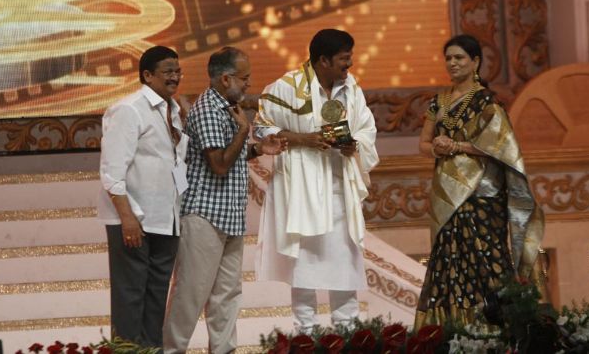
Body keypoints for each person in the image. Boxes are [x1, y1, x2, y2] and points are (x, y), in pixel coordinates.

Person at [162, 47, 287, 354]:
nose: (248, 83)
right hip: (204, 215)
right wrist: (244, 131)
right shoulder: (208, 109)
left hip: (229, 215)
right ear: (226, 78)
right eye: (244, 78)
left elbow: (229, 156)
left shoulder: (228, 107)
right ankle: (171, 350)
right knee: (191, 294)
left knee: (227, 295)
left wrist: (257, 149)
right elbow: (218, 164)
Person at [415, 34, 545, 328]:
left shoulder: (488, 102)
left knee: (487, 257)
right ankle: (454, 328)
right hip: (447, 192)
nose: (452, 63)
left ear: (475, 62)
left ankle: (501, 326)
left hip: (483, 193)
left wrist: (456, 146)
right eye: (448, 58)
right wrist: (436, 148)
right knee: (450, 259)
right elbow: (423, 144)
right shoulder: (439, 101)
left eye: (459, 58)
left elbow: (502, 148)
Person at [254, 28, 379, 332]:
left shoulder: (351, 88)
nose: (349, 66)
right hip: (300, 188)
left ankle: (347, 331)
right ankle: (305, 334)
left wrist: (354, 145)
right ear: (323, 60)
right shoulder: (285, 87)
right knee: (304, 262)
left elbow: (366, 128)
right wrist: (303, 139)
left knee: (344, 258)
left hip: (338, 186)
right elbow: (261, 129)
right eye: (344, 60)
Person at [98, 45, 187, 347]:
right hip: (134, 219)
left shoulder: (173, 110)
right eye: (168, 71)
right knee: (130, 298)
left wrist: (179, 209)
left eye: (178, 71)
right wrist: (127, 218)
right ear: (147, 75)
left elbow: (176, 162)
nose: (175, 77)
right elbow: (112, 171)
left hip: (166, 219)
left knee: (155, 299)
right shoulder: (129, 109)